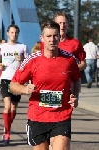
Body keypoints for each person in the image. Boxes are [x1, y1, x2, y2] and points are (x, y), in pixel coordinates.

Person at [10, 21, 80, 150]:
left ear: (60, 37)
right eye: (48, 36)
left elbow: (76, 80)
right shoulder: (32, 60)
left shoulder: (69, 60)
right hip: (38, 117)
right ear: (42, 38)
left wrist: (75, 96)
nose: (52, 40)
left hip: (61, 116)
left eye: (55, 36)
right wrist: (25, 89)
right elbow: (13, 85)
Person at [0, 24, 28, 144]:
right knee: (7, 106)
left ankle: (6, 127)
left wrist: (21, 60)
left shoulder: (23, 47)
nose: (14, 34)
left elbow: (27, 64)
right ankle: (7, 133)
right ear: (8, 33)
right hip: (5, 79)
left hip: (17, 81)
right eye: (12, 32)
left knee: (13, 107)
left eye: (16, 33)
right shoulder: (1, 47)